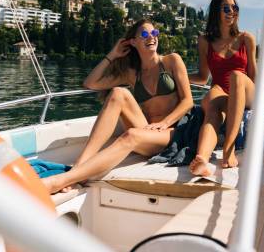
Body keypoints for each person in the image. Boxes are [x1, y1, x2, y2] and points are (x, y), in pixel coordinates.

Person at [42, 19, 193, 194]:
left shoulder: (171, 61)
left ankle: (59, 181)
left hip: (172, 133)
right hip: (147, 132)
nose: (151, 37)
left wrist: (166, 123)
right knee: (118, 93)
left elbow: (188, 101)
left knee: (130, 135)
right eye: (144, 34)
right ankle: (79, 167)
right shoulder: (132, 73)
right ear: (133, 42)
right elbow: (90, 83)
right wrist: (113, 54)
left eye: (154, 33)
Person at [188, 0, 264, 176]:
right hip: (222, 92)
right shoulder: (205, 41)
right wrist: (179, 75)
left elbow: (252, 75)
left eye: (235, 8)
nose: (231, 12)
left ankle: (229, 150)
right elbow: (203, 77)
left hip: (246, 91)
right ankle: (202, 160)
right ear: (215, 12)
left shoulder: (246, 38)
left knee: (236, 76)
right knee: (212, 102)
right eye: (226, 8)